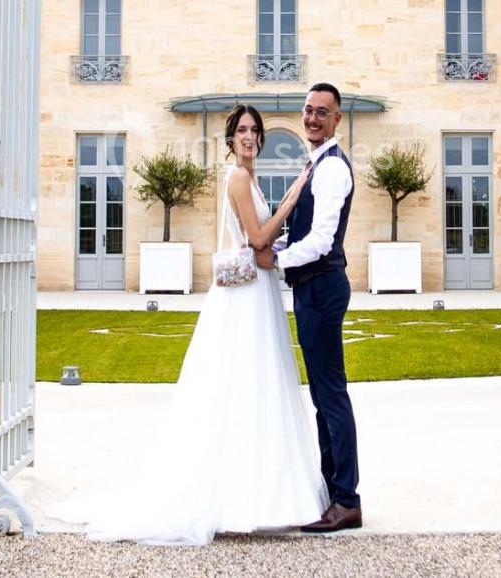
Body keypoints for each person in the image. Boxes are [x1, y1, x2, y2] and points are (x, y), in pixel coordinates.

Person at [62, 103, 326, 545]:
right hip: (245, 294)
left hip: (257, 289)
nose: (249, 136)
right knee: (241, 384)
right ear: (229, 140)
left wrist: (276, 224)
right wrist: (294, 196)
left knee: (255, 385)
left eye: (254, 130)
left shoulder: (250, 177)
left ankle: (259, 494)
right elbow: (257, 239)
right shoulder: (238, 177)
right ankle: (241, 497)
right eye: (242, 130)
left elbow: (257, 237)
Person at [257, 82, 362, 533]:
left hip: (322, 287)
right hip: (313, 287)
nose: (313, 118)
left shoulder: (333, 169)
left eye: (323, 112)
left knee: (330, 394)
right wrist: (272, 244)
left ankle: (346, 499)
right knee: (323, 395)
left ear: (337, 119)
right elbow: (303, 233)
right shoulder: (316, 164)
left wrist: (277, 257)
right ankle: (331, 489)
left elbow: (320, 241)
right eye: (308, 110)